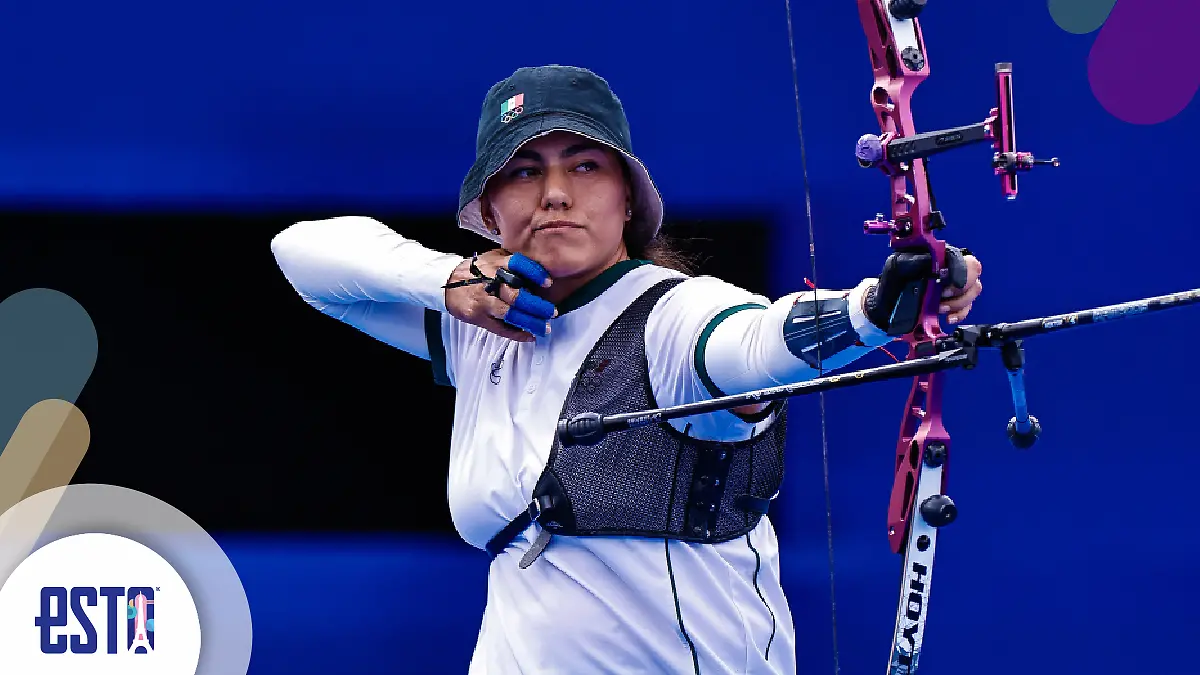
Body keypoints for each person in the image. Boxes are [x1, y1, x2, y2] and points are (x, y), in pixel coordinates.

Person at [271, 65, 983, 675]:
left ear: (627, 198)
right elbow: (302, 254)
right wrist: (448, 278)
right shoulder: (481, 330)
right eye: (523, 170)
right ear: (489, 209)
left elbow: (761, 338)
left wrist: (877, 309)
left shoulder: (675, 319)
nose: (554, 193)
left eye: (584, 166)